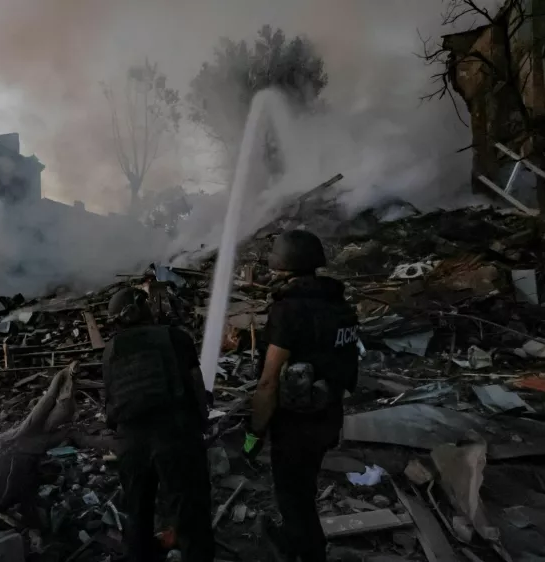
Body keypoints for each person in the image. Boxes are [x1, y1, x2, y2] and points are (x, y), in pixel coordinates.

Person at [243, 229, 360, 562]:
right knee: (304, 487)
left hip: (296, 425)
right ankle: (293, 540)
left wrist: (254, 435)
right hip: (329, 417)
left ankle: (308, 552)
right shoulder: (339, 306)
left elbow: (268, 384)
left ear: (282, 265)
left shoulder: (289, 310)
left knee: (293, 496)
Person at [102, 287, 215, 562]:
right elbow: (197, 387)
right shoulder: (175, 338)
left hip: (132, 442)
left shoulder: (111, 350)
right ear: (141, 309)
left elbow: (111, 402)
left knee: (137, 514)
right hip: (175, 434)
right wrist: (202, 423)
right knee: (191, 513)